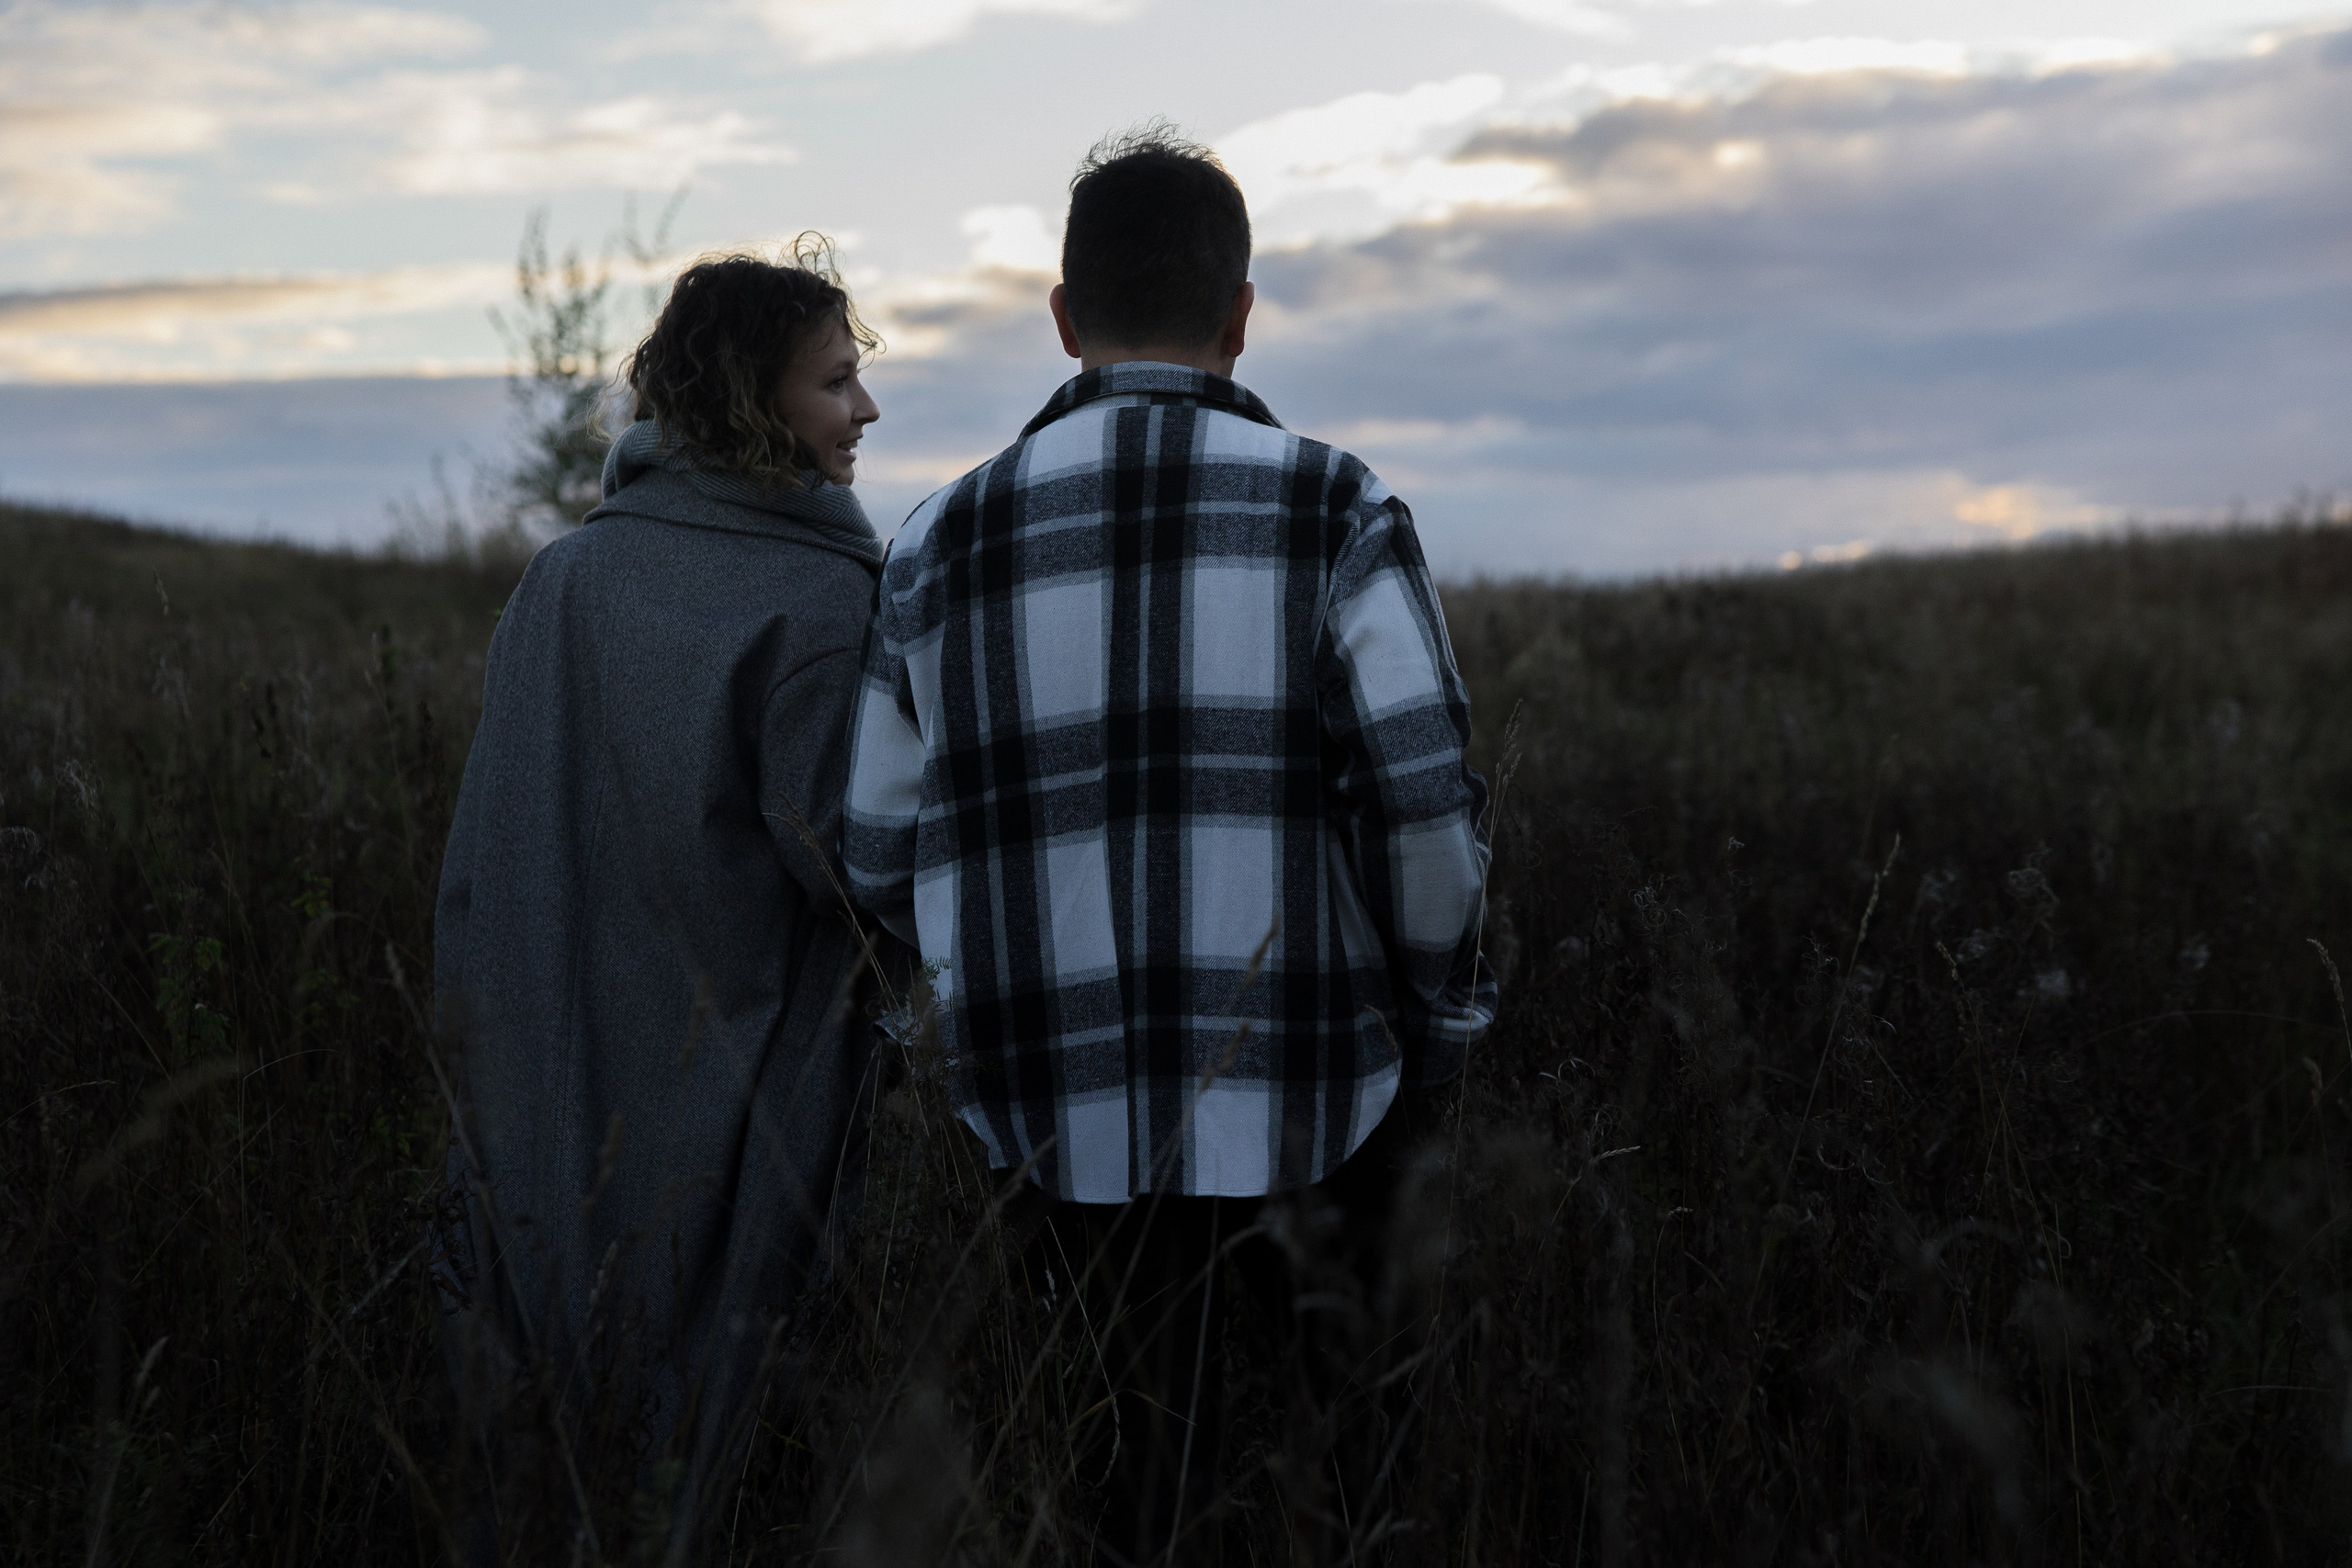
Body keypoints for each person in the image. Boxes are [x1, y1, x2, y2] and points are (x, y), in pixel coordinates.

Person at [842, 131, 1497, 1563]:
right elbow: (1425, 807)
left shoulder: (934, 542)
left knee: (1127, 1495)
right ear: (1241, 313)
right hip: (1327, 1098)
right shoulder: (1336, 508)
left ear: (1064, 319)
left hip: (1044, 1119)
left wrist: (964, 988)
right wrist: (1436, 1024)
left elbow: (877, 852)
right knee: (1351, 1489)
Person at [434, 241, 893, 1561]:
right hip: (738, 1094)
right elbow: (859, 871)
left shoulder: (561, 577)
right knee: (721, 1457)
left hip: (542, 1081)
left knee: (548, 1435)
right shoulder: (820, 598)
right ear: (757, 402)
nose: (865, 412)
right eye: (838, 383)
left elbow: (487, 855)